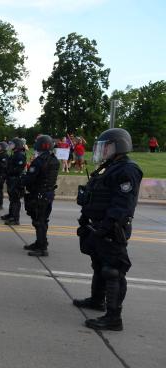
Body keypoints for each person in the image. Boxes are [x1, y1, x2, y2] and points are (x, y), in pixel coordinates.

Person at [74, 128, 143, 331]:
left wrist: (106, 227)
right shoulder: (110, 167)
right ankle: (97, 300)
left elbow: (123, 205)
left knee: (113, 271)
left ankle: (114, 317)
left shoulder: (127, 170)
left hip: (111, 229)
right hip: (97, 226)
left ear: (119, 146)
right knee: (99, 265)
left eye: (107, 147)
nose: (103, 151)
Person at [21, 135, 60, 257]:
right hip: (48, 194)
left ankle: (42, 247)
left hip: (39, 194)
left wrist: (22, 180)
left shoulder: (39, 161)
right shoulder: (54, 160)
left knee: (39, 221)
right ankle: (40, 242)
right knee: (43, 220)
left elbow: (30, 178)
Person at [2, 138, 26, 226]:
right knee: (12, 199)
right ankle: (11, 215)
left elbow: (18, 169)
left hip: (16, 180)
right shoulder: (14, 154)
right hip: (11, 179)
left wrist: (9, 171)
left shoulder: (20, 155)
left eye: (12, 144)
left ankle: (15, 219)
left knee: (15, 199)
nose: (10, 145)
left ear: (17, 145)